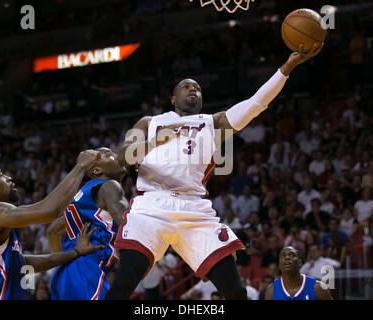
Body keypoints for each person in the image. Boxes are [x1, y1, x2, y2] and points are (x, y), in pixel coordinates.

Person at [106, 43, 323, 300]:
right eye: (186, 86)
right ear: (173, 99)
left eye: (197, 88)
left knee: (236, 292)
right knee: (123, 286)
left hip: (194, 210)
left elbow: (255, 103)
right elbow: (121, 159)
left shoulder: (213, 123)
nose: (193, 90)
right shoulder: (148, 123)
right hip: (151, 206)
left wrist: (287, 68)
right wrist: (155, 141)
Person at [0, 150, 102, 300]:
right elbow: (49, 211)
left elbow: (23, 263)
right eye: (1, 175)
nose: (9, 178)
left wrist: (75, 252)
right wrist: (81, 166)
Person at [46, 147, 128, 300]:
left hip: (63, 275)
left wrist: (67, 261)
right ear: (96, 171)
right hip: (86, 270)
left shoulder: (83, 196)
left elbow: (52, 232)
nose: (117, 155)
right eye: (109, 154)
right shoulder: (110, 186)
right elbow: (128, 223)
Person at [265, 246, 332, 300]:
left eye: (292, 255)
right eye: (283, 256)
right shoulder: (271, 290)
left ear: (300, 262)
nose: (287, 257)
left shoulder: (318, 287)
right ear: (279, 264)